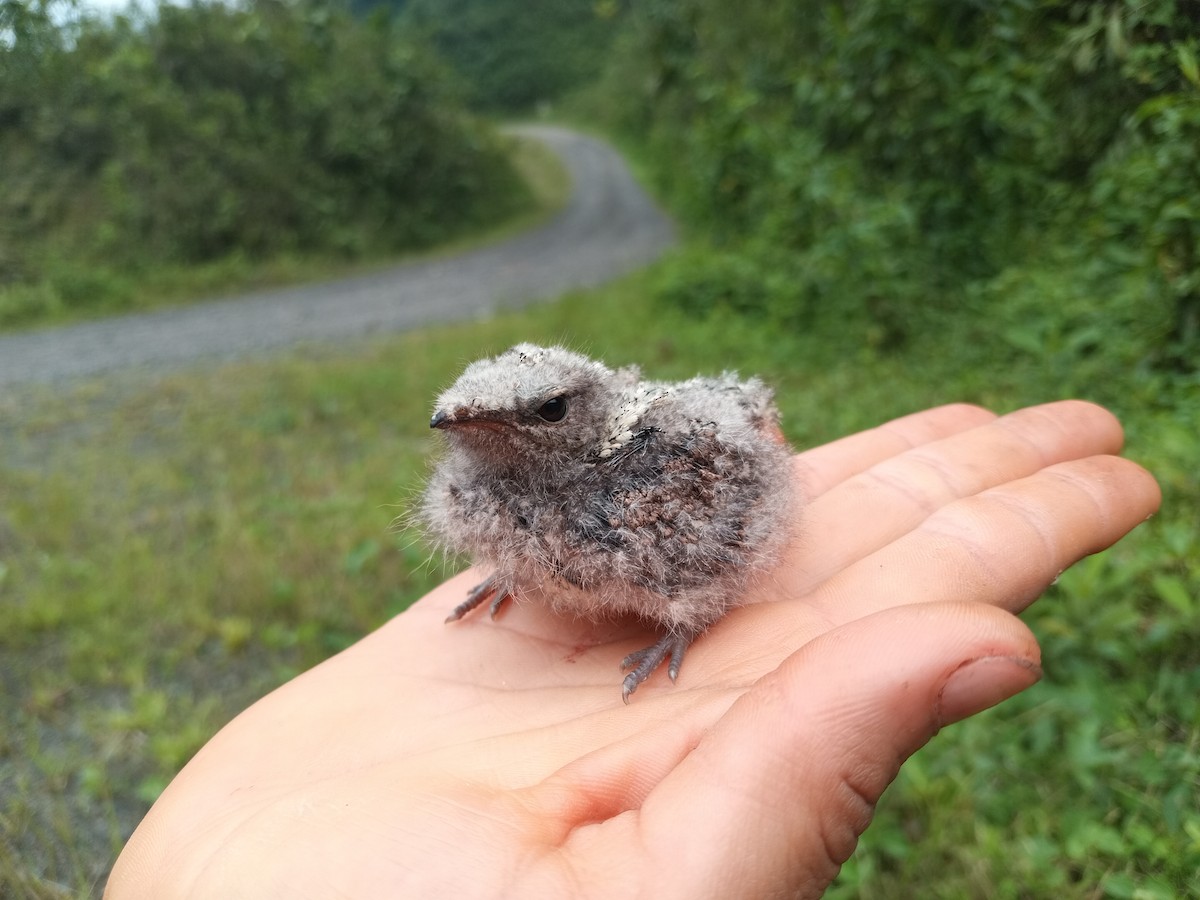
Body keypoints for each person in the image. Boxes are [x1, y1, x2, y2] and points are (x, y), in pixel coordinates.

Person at [104, 400, 1160, 899]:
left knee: (659, 553)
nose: (473, 432)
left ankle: (677, 620)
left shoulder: (660, 475)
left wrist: (686, 621)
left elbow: (726, 521)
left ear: (584, 418)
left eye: (534, 416)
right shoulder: (487, 486)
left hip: (673, 523)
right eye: (462, 423)